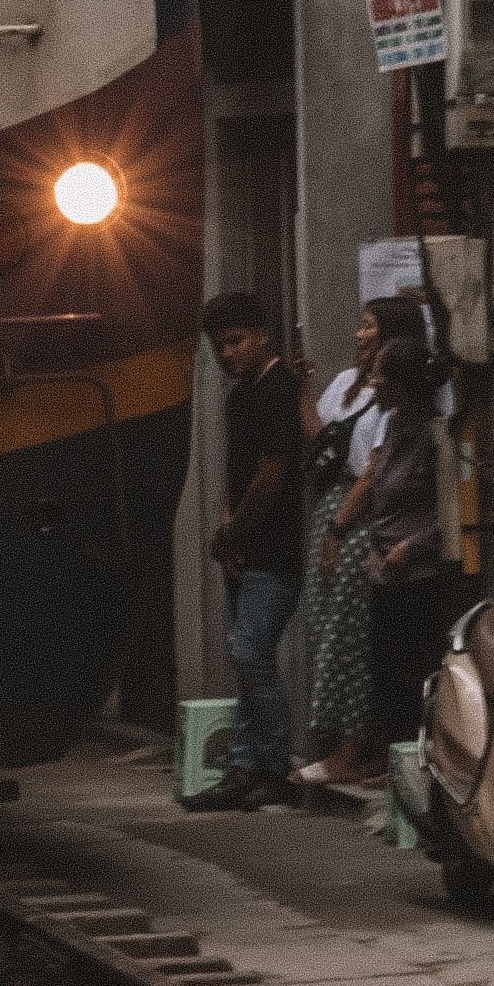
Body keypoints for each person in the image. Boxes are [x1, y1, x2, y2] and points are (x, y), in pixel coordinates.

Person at [303, 295, 439, 800]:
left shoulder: (423, 429)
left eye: (368, 328)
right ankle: (376, 754)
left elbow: (389, 483)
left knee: (394, 663)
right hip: (379, 553)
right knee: (375, 657)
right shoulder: (387, 416)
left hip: (402, 559)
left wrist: (348, 529)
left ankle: (373, 754)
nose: (375, 381)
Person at [192, 291, 306, 810]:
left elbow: (273, 474)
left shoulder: (278, 389)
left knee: (251, 652)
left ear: (262, 336)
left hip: (275, 545)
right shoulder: (240, 396)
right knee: (246, 658)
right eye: (218, 347)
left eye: (235, 342)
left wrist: (232, 530)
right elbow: (238, 477)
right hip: (246, 547)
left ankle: (273, 764)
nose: (226, 354)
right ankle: (245, 766)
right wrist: (229, 528)